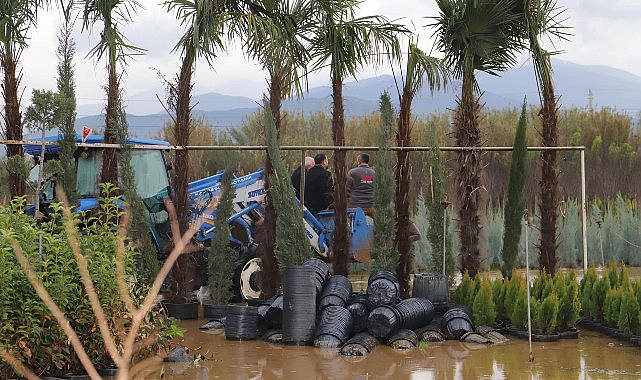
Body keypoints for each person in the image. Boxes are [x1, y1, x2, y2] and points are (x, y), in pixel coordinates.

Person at [347, 153, 375, 217]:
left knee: (354, 225)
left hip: (355, 206)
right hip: (371, 206)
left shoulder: (352, 172)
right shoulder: (374, 173)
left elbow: (347, 189)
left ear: (359, 161)